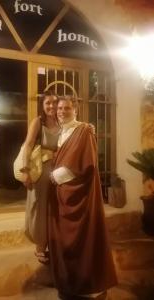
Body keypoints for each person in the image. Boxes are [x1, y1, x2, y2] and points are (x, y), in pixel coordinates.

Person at [48, 96, 118, 299]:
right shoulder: (60, 131)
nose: (62, 111)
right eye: (60, 108)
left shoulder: (84, 130)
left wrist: (54, 177)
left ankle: (90, 285)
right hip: (61, 195)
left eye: (67, 108)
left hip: (79, 196)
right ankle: (68, 283)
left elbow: (86, 163)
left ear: (75, 110)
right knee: (63, 242)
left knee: (84, 241)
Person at [21, 91, 60, 264]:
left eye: (53, 103)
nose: (51, 106)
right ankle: (39, 247)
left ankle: (53, 244)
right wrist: (25, 170)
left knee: (55, 209)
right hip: (39, 172)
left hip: (58, 172)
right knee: (40, 209)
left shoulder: (62, 121)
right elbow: (28, 146)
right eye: (47, 103)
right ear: (42, 106)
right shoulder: (38, 122)